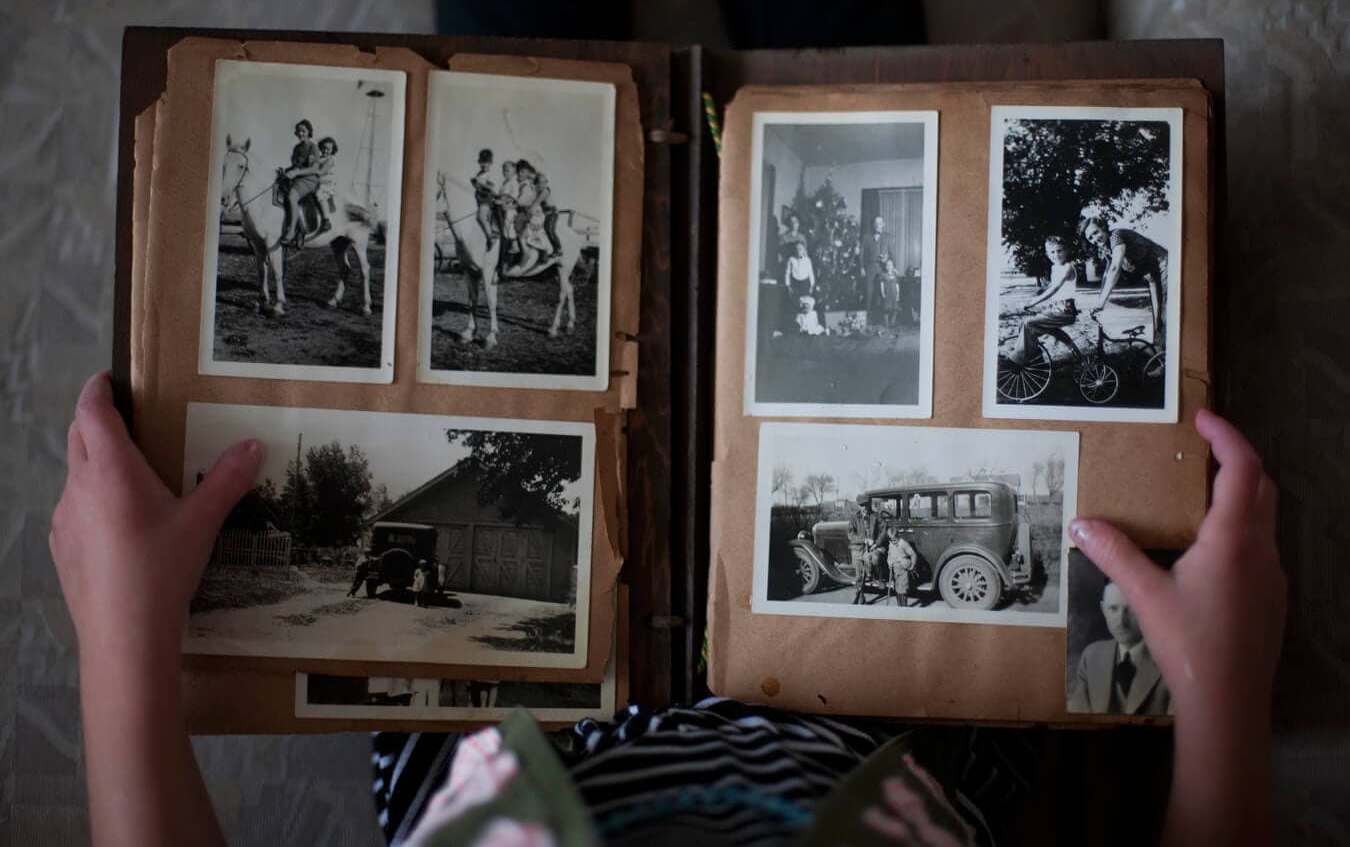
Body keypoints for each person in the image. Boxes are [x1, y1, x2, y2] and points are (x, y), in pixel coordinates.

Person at [50, 370, 1285, 846]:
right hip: (880, 719)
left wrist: (120, 642)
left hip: (499, 728)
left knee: (519, 16)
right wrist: (1223, 709)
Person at [1068, 581, 1172, 715]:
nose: (1121, 621)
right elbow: (1078, 717)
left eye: (1132, 609)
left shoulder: (1171, 664)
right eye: (1113, 608)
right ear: (1103, 610)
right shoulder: (1091, 656)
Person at [1078, 215, 1169, 347]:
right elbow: (1107, 275)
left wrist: (1100, 303)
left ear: (1103, 227)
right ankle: (1162, 358)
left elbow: (1115, 268)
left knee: (1168, 313)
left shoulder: (1116, 236)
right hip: (1152, 277)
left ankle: (1171, 359)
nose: (1095, 238)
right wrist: (1099, 302)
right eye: (1090, 238)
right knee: (1157, 319)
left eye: (1096, 232)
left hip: (1165, 266)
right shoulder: (1106, 249)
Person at [1008, 235, 1081, 365]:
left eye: (1059, 251)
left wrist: (1033, 302)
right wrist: (1035, 297)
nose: (1056, 255)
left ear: (1066, 251)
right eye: (1052, 252)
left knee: (1029, 324)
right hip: (1055, 309)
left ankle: (1016, 360)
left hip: (1065, 311)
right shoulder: (1054, 268)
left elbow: (1055, 288)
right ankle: (1036, 360)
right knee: (1025, 327)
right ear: (1047, 254)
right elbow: (1051, 288)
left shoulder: (1068, 267)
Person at [278, 119, 320, 246]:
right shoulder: (296, 148)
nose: (300, 133)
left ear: (309, 132)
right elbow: (295, 166)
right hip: (297, 178)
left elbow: (314, 169)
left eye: (303, 131)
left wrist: (295, 173)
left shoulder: (313, 147)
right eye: (298, 131)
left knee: (292, 196)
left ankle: (291, 232)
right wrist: (285, 171)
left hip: (309, 179)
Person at [782, 240, 816, 334]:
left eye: (800, 249)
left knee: (805, 305)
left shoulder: (807, 260)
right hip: (795, 284)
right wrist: (788, 286)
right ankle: (796, 327)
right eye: (797, 249)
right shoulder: (791, 259)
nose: (798, 251)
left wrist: (812, 286)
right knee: (795, 304)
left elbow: (811, 273)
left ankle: (806, 327)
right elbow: (787, 273)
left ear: (804, 250)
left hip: (805, 284)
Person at [470, 148, 499, 243]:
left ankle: (491, 237)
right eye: (482, 162)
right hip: (480, 198)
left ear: (490, 163)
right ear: (479, 162)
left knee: (481, 216)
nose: (484, 165)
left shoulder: (490, 175)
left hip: (487, 199)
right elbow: (478, 186)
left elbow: (492, 188)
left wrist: (481, 183)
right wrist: (474, 184)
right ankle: (484, 237)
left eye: (487, 162)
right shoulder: (479, 174)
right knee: (477, 218)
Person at [313, 136, 339, 234]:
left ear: (332, 150)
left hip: (327, 183)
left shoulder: (330, 160)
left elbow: (320, 172)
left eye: (328, 149)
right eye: (323, 148)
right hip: (318, 182)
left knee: (319, 194)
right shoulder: (319, 158)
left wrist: (311, 167)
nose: (325, 151)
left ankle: (326, 220)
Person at [877, 258, 902, 329]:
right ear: (885, 266)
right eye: (887, 265)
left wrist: (898, 295)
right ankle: (886, 323)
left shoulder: (895, 275)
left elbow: (897, 285)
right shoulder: (883, 275)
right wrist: (882, 294)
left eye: (890, 265)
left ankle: (892, 322)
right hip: (887, 294)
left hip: (894, 294)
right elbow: (881, 285)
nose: (889, 266)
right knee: (886, 309)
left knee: (895, 308)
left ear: (893, 266)